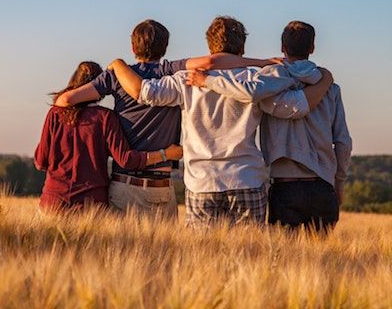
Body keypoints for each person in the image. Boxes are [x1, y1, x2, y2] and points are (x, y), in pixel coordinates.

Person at [107, 16, 333, 228]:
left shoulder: (185, 79)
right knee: (250, 259)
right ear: (242, 48)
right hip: (247, 178)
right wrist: (324, 81)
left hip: (202, 182)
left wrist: (118, 64)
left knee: (202, 260)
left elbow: (144, 92)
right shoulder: (256, 78)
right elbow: (294, 106)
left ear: (210, 47)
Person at [54, 19, 281, 217]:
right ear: (165, 47)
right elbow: (212, 63)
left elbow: (64, 101)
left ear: (133, 47)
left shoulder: (116, 76)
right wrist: (261, 63)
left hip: (124, 184)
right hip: (162, 185)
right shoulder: (170, 71)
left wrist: (105, 109)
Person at [189, 21, 352, 232]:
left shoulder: (268, 83)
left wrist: (207, 81)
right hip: (323, 186)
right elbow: (343, 142)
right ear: (312, 48)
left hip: (285, 187)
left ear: (282, 48)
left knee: (283, 261)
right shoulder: (330, 88)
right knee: (323, 262)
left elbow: (249, 92)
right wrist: (339, 183)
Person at [34, 61, 183, 212]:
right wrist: (166, 154)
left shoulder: (55, 113)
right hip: (91, 204)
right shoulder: (105, 118)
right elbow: (126, 160)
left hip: (53, 202)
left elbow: (41, 161)